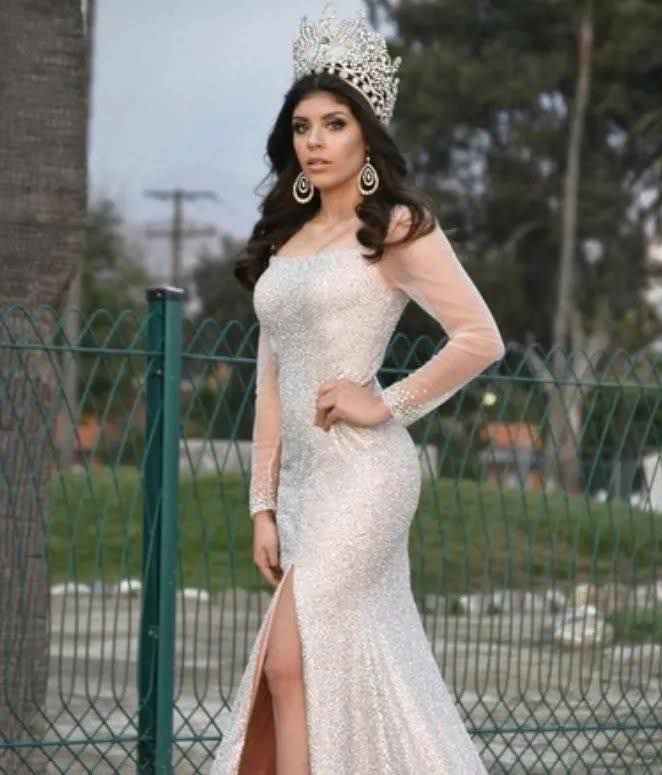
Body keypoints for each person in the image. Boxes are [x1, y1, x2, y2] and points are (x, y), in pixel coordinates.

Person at [210, 4, 505, 773]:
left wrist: (385, 401)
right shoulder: (284, 240)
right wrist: (262, 504)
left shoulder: (397, 227)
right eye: (302, 127)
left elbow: (481, 337)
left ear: (366, 137)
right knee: (296, 670)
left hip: (367, 475)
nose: (314, 141)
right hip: (303, 485)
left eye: (334, 124)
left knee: (287, 656)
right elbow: (270, 383)